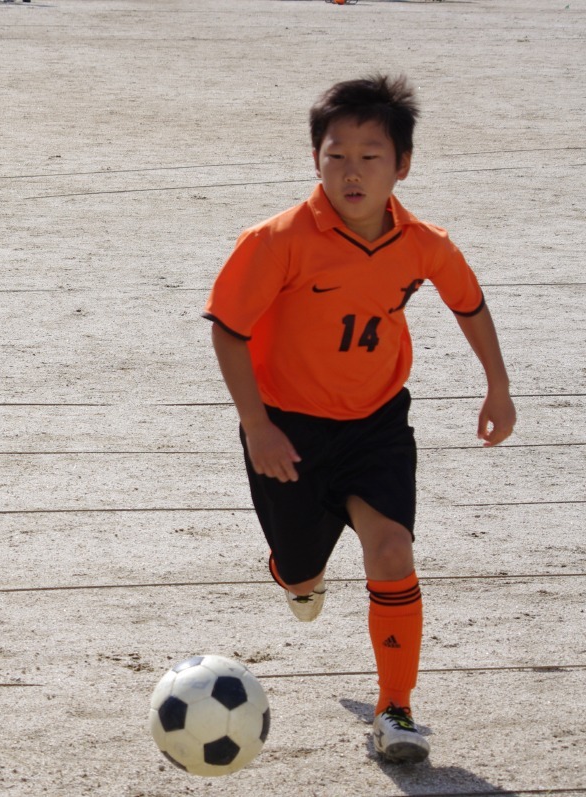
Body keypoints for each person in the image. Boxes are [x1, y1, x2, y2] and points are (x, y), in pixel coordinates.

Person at [203, 74, 515, 763]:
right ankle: (295, 574)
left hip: (377, 423)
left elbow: (468, 302)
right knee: (300, 573)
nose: (351, 172)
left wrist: (497, 385)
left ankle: (395, 710)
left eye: (370, 157)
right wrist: (257, 425)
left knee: (392, 547)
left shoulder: (425, 243)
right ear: (314, 159)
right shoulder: (276, 240)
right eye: (335, 155)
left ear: (403, 165)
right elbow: (228, 330)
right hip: (288, 429)